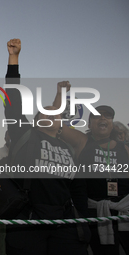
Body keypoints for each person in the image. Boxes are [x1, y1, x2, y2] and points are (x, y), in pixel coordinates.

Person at [4, 38, 89, 255]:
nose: (52, 113)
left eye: (57, 113)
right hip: (28, 222)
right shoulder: (25, 133)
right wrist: (14, 58)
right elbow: (12, 98)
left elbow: (77, 188)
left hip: (65, 225)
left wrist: (80, 220)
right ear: (36, 120)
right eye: (46, 111)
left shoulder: (67, 147)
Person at [53, 82, 129, 255]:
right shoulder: (82, 141)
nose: (103, 118)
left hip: (125, 210)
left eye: (107, 116)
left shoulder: (125, 148)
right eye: (97, 116)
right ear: (90, 123)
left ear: (112, 123)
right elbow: (54, 122)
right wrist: (60, 94)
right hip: (95, 213)